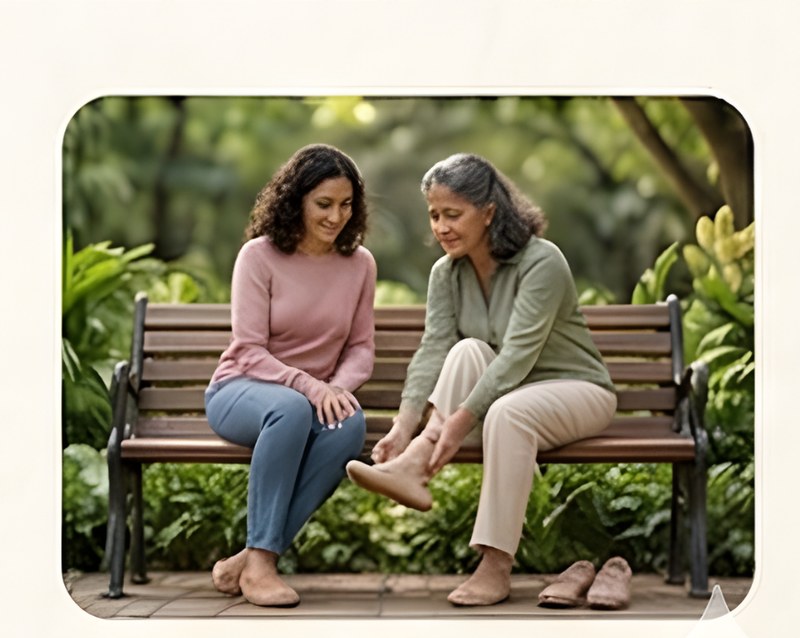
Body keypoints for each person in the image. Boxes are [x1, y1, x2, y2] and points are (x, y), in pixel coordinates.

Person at [346, 153, 617, 607]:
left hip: (578, 391)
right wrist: (404, 424)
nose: (442, 227)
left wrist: (458, 420)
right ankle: (415, 460)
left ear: (489, 211)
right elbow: (434, 349)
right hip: (507, 398)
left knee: (508, 411)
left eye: (453, 214)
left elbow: (517, 355)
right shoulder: (446, 273)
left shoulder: (541, 262)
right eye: (434, 215)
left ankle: (495, 566)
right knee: (465, 350)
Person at [205, 144, 376, 607]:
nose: (336, 216)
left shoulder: (359, 264)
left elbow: (361, 347)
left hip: (309, 398)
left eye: (346, 205)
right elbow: (248, 349)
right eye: (324, 204)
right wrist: (307, 385)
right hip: (241, 389)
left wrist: (337, 389)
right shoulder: (258, 256)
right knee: (290, 408)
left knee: (348, 425)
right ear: (296, 200)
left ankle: (250, 558)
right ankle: (262, 567)